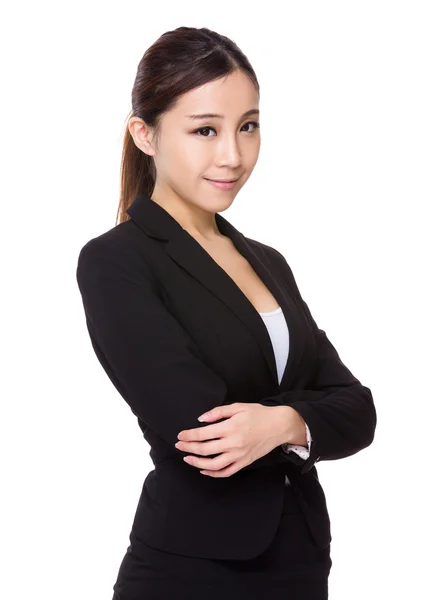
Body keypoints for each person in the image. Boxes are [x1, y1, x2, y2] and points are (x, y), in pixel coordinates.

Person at [76, 26, 377, 600]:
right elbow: (203, 429)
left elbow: (358, 409)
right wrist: (311, 419)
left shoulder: (267, 262)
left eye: (248, 127)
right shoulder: (116, 262)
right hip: (192, 569)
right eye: (205, 130)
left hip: (301, 560)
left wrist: (281, 424)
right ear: (145, 134)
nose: (233, 155)